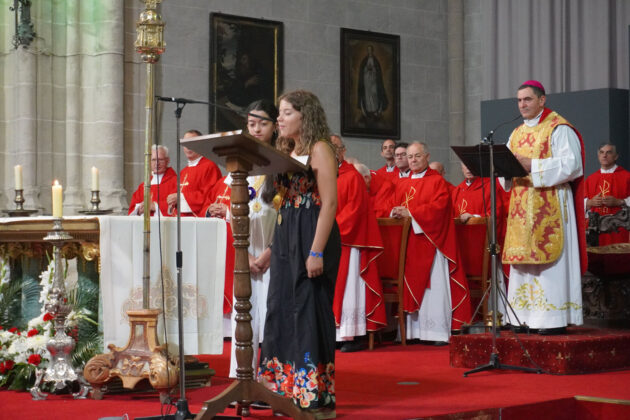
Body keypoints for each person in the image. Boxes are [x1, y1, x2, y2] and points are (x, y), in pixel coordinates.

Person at [257, 90, 340, 418]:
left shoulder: (321, 148)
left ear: (305, 116)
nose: (279, 118)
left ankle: (312, 391)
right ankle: (281, 387)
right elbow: (278, 202)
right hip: (287, 231)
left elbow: (329, 203)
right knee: (279, 306)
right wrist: (270, 250)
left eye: (287, 113)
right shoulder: (286, 148)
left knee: (306, 310)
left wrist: (316, 251)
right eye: (279, 113)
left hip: (312, 233)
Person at [501, 80, 586, 335]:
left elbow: (572, 165)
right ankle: (521, 316)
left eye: (527, 99)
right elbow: (505, 167)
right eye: (519, 100)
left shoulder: (559, 129)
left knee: (549, 264)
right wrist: (504, 170)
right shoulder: (515, 133)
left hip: (550, 203)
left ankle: (551, 318)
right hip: (520, 205)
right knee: (522, 262)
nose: (522, 104)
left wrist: (533, 165)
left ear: (542, 100)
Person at [390, 142, 471, 342]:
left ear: (427, 156)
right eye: (410, 157)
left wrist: (411, 213)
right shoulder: (402, 183)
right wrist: (395, 212)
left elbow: (440, 208)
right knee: (411, 283)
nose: (413, 160)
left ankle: (436, 332)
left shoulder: (437, 182)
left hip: (432, 242)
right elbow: (392, 205)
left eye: (417, 156)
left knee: (433, 286)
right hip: (408, 244)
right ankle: (412, 333)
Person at [227, 100, 280, 378]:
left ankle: (271, 376)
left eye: (263, 123)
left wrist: (270, 252)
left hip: (275, 255)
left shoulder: (284, 163)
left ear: (275, 126)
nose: (256, 129)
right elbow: (231, 213)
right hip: (246, 255)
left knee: (273, 315)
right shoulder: (239, 165)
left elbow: (290, 216)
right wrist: (245, 253)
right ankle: (243, 376)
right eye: (251, 123)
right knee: (245, 315)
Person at [330, 135, 385, 353]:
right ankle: (332, 333)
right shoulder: (320, 175)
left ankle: (350, 334)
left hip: (346, 241)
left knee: (348, 288)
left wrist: (329, 229)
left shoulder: (352, 177)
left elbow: (353, 210)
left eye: (334, 148)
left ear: (342, 151)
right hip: (324, 240)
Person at [166, 130, 222, 217]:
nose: (188, 147)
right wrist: (171, 200)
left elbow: (208, 196)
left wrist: (180, 198)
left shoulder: (210, 166)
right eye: (186, 144)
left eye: (192, 143)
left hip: (196, 220)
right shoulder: (183, 171)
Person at [585, 143, 630, 245]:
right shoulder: (590, 179)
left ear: (616, 156)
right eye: (601, 152)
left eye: (608, 152)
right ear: (598, 156)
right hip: (595, 228)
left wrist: (620, 202)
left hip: (620, 229)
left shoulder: (627, 177)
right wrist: (590, 202)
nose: (604, 155)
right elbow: (581, 203)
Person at [128, 145, 177, 216]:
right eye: (153, 160)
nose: (157, 163)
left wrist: (155, 206)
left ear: (167, 161)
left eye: (160, 159)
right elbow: (132, 209)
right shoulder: (143, 186)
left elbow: (179, 207)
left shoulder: (176, 182)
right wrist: (139, 209)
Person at [358, 45, 388, 121]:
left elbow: (377, 72)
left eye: (370, 50)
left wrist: (373, 69)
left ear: (372, 51)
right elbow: (363, 71)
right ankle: (368, 110)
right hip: (367, 81)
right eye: (368, 50)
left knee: (374, 95)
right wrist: (367, 69)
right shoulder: (364, 61)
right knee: (368, 95)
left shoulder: (376, 61)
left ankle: (375, 110)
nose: (369, 51)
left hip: (373, 81)